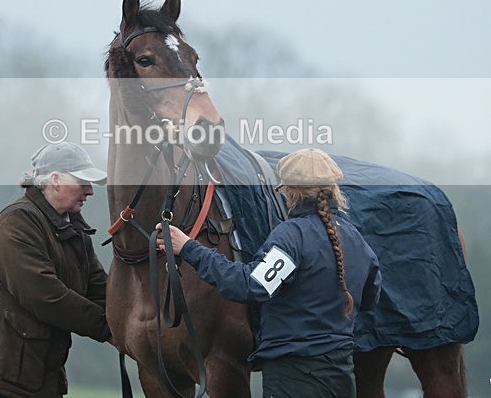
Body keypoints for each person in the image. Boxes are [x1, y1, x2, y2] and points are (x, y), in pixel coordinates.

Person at [158, 148, 382, 398]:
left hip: (292, 377)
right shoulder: (355, 238)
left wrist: (189, 248)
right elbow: (371, 298)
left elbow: (248, 286)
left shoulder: (291, 237)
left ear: (291, 193)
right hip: (342, 376)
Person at [0, 142, 113, 398]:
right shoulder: (17, 222)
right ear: (55, 180)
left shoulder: (72, 228)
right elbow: (45, 296)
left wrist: (132, 327)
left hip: (29, 374)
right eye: (83, 182)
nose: (90, 191)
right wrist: (109, 331)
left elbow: (99, 287)